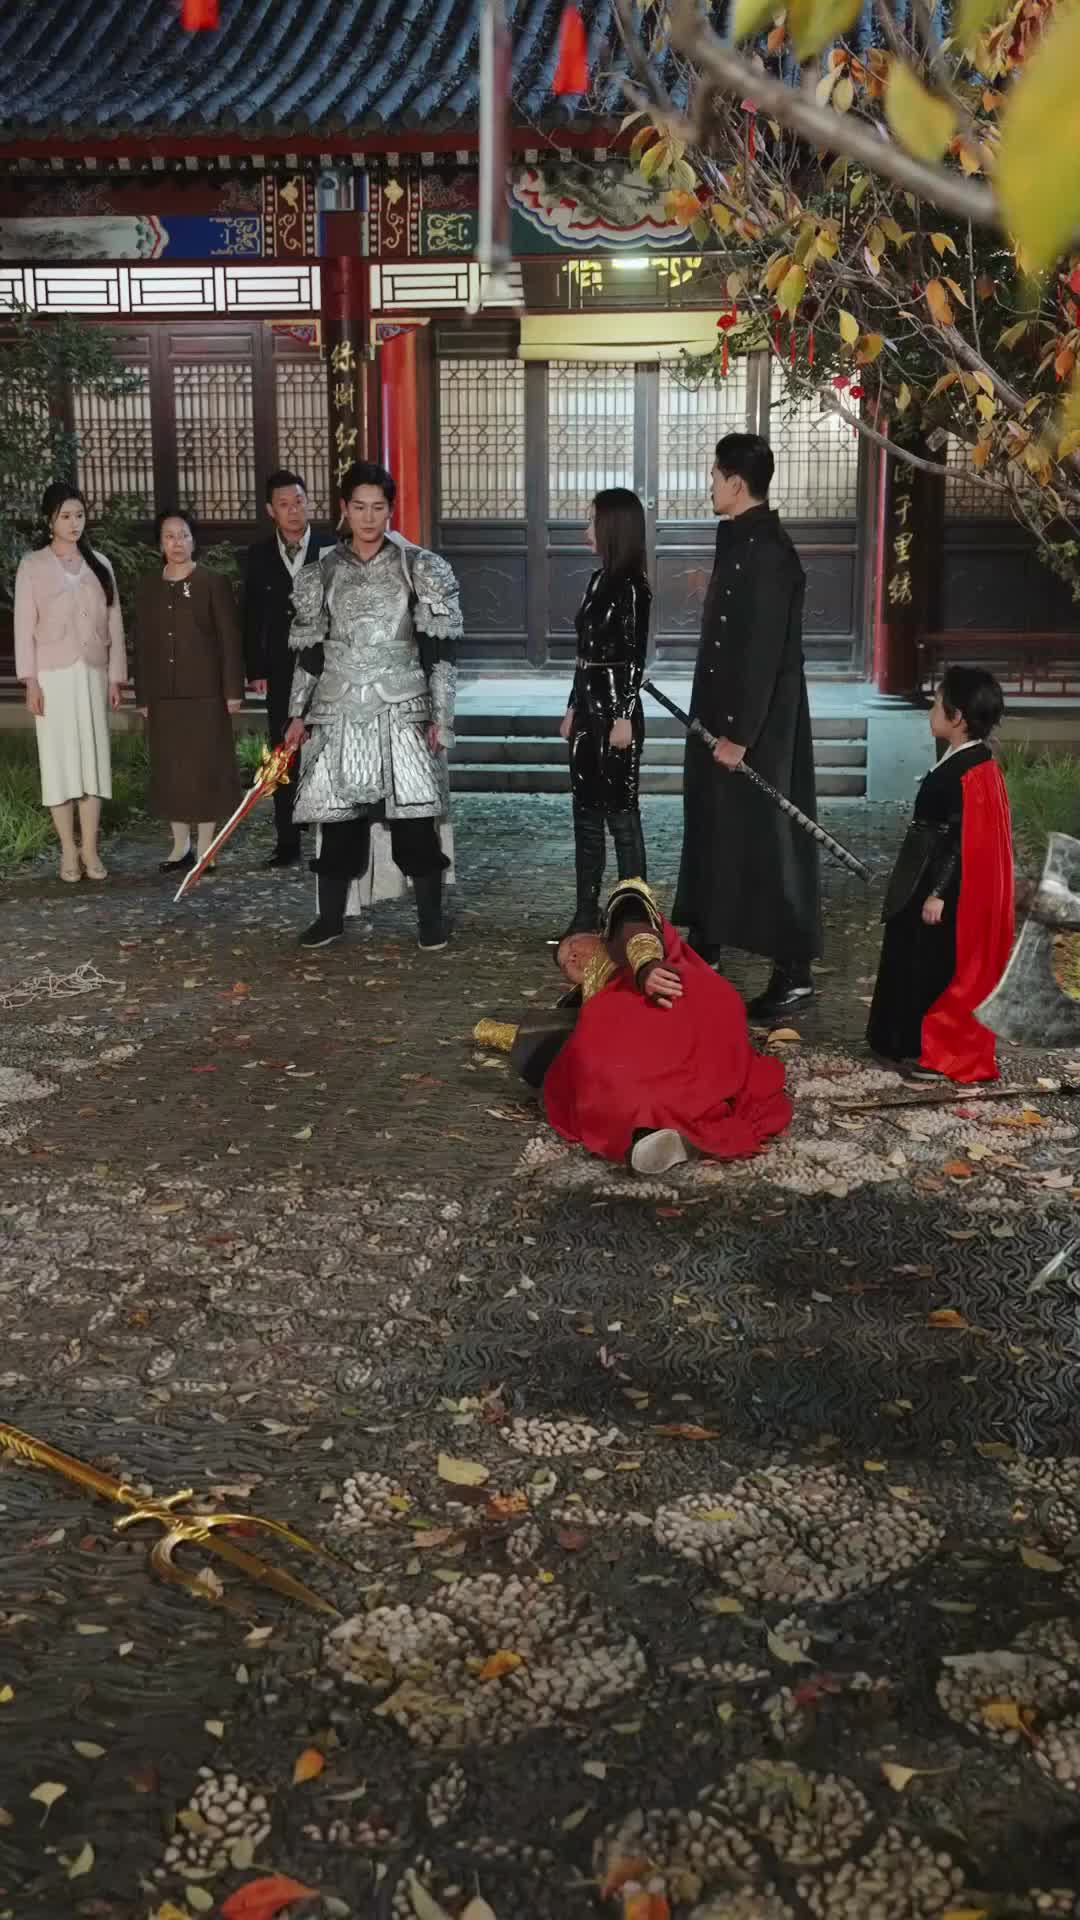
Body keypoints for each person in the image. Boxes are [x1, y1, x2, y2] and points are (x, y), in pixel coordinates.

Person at [485, 878, 792, 1177]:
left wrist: (646, 965)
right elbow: (547, 1039)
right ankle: (675, 1136)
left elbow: (634, 916)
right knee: (587, 1065)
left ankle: (665, 1129)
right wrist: (488, 1031)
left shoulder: (619, 925)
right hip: (666, 1029)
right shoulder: (593, 1002)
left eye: (573, 945)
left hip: (678, 988)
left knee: (596, 1069)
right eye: (566, 964)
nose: (573, 957)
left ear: (597, 933)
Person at [283, 460, 463, 952]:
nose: (368, 517)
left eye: (377, 508)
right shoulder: (322, 572)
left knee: (415, 824)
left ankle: (431, 921)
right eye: (359, 507)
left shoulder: (418, 567)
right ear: (345, 508)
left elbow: (440, 649)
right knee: (338, 823)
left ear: (390, 510)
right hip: (338, 706)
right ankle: (329, 919)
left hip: (402, 707)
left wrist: (441, 717)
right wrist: (297, 714)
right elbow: (309, 652)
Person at [673, 432, 821, 1023]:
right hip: (720, 717)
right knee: (715, 829)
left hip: (758, 729)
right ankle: (705, 946)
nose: (710, 485)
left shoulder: (769, 552)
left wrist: (740, 734)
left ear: (736, 482)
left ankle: (795, 974)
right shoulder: (739, 539)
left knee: (769, 843)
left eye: (714, 475)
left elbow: (763, 652)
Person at [867, 666, 1014, 1085]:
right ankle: (899, 1042)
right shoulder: (965, 760)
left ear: (958, 716)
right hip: (924, 871)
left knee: (928, 963)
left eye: (937, 704)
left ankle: (930, 1050)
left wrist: (938, 892)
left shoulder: (972, 770)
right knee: (909, 953)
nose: (931, 712)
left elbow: (961, 840)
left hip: (938, 882)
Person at [13, 483, 126, 883]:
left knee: (92, 760)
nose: (74, 523)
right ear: (50, 521)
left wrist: (115, 677)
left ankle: (90, 848)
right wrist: (31, 682)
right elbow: (23, 627)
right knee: (59, 762)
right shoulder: (33, 565)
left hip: (92, 674)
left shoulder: (100, 564)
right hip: (52, 677)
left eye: (79, 515)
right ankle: (67, 849)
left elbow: (114, 622)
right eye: (65, 516)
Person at [558, 487, 652, 934]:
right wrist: (571, 707)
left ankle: (635, 915)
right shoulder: (597, 580)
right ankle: (585, 911)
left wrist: (624, 716)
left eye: (592, 520)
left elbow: (634, 657)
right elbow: (583, 654)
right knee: (586, 816)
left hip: (617, 713)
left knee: (621, 817)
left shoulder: (634, 587)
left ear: (613, 527)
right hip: (587, 710)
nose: (586, 529)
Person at [133, 509, 244, 874]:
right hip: (163, 695)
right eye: (169, 536)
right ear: (160, 544)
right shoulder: (149, 586)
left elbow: (229, 639)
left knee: (206, 767)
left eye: (183, 535)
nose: (177, 543)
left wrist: (232, 690)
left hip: (206, 693)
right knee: (171, 770)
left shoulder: (212, 582)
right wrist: (143, 696)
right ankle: (180, 846)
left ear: (194, 541)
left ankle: (207, 845)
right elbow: (142, 643)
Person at [242, 469, 336, 869]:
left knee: (329, 749)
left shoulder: (332, 548)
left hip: (330, 665)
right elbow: (251, 616)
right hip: (281, 668)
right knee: (283, 751)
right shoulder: (259, 554)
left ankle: (332, 840)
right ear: (270, 510)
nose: (293, 510)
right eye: (284, 504)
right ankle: (287, 839)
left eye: (299, 501)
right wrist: (255, 669)